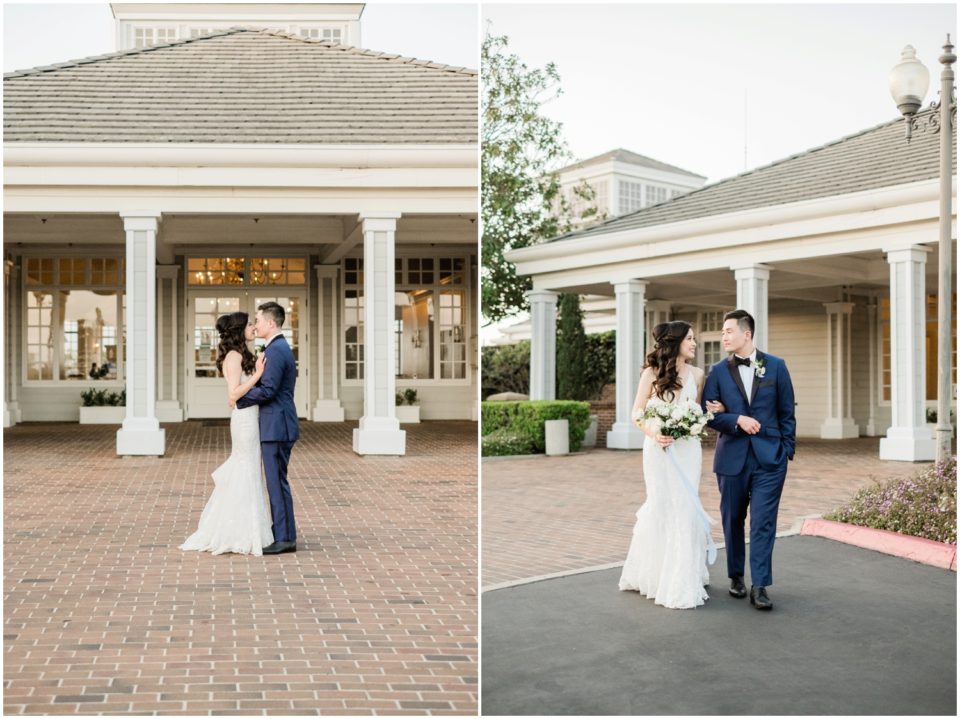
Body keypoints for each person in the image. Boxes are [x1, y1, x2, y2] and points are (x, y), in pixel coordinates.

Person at [702, 309, 796, 610]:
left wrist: (786, 451)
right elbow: (710, 417)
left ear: (747, 334)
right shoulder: (717, 371)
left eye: (729, 331)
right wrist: (737, 419)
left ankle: (760, 585)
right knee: (732, 520)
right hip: (732, 459)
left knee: (763, 523)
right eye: (722, 331)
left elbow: (787, 413)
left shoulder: (776, 367)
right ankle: (736, 576)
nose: (724, 336)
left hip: (770, 459)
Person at [619, 321, 713, 609]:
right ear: (675, 342)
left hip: (687, 450)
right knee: (661, 503)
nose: (695, 343)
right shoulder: (651, 373)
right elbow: (636, 412)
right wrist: (654, 432)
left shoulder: (697, 374)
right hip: (658, 450)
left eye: (695, 338)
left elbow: (696, 410)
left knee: (685, 506)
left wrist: (706, 415)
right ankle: (655, 573)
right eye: (690, 338)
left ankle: (684, 576)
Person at [180, 312, 274, 555]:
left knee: (251, 469)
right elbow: (233, 395)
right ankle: (238, 530)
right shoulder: (232, 357)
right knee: (245, 468)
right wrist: (257, 375)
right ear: (238, 329)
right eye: (250, 324)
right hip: (244, 421)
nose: (253, 327)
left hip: (251, 417)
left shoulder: (240, 354)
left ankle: (250, 526)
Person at [234, 301, 300, 555]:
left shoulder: (276, 350)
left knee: (276, 482)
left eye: (258, 320)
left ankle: (284, 538)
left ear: (271, 323)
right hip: (278, 423)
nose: (256, 324)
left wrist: (240, 399)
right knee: (277, 481)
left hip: (277, 425)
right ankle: (284, 532)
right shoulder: (278, 347)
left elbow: (270, 390)